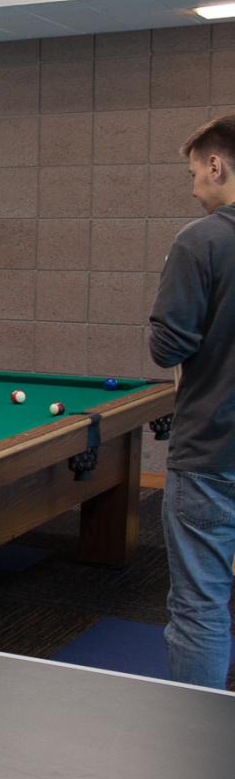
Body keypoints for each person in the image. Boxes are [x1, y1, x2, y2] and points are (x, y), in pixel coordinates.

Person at [147, 113, 235, 690]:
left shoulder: (199, 239)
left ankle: (196, 738)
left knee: (201, 606)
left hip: (210, 452)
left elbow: (167, 346)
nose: (192, 186)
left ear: (215, 163)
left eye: (192, 172)